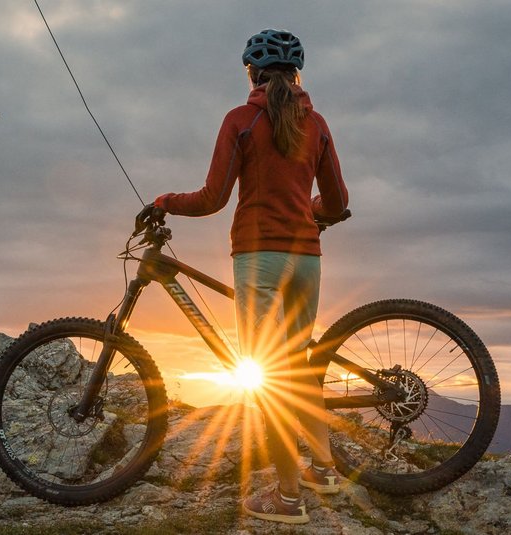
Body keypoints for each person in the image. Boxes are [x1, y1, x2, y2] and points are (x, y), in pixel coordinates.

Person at [144, 29, 349, 524]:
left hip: (259, 257)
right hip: (308, 259)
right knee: (297, 370)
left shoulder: (240, 119)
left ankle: (287, 497)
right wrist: (311, 210)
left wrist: (163, 202)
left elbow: (212, 199)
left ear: (252, 73)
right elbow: (338, 204)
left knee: (271, 378)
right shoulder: (317, 123)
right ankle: (325, 473)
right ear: (297, 75)